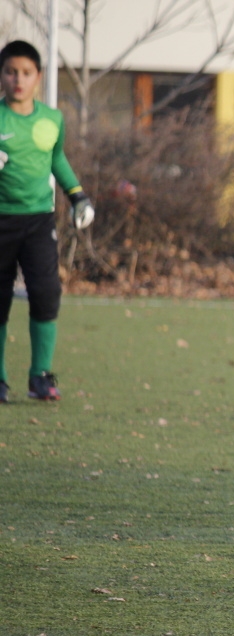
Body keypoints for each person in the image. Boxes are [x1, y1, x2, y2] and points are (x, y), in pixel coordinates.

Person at [0, 39, 94, 404]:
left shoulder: (52, 119)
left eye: (25, 72)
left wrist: (78, 195)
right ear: (2, 76)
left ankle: (40, 375)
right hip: (1, 221)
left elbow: (57, 160)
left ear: (37, 77)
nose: (17, 80)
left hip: (38, 221)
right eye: (10, 72)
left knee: (46, 292)